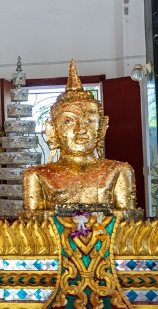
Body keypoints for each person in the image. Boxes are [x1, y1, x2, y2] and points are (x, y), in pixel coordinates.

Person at [21, 60, 142, 219]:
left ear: (101, 127)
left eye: (89, 121)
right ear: (52, 130)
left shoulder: (119, 171)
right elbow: (33, 225)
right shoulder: (37, 176)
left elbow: (127, 221)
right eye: (68, 121)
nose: (80, 129)